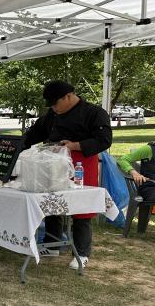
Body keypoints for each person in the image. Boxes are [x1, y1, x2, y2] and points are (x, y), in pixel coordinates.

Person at [22, 80, 112, 269]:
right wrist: (15, 145)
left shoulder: (94, 113)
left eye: (56, 103)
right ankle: (52, 245)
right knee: (52, 202)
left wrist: (75, 146)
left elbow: (104, 140)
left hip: (81, 164)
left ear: (68, 96)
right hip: (53, 163)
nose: (54, 108)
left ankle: (81, 253)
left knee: (81, 208)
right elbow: (35, 134)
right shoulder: (52, 115)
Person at [117, 142, 155, 232]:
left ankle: (141, 229)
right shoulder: (149, 149)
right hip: (149, 188)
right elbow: (122, 159)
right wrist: (134, 172)